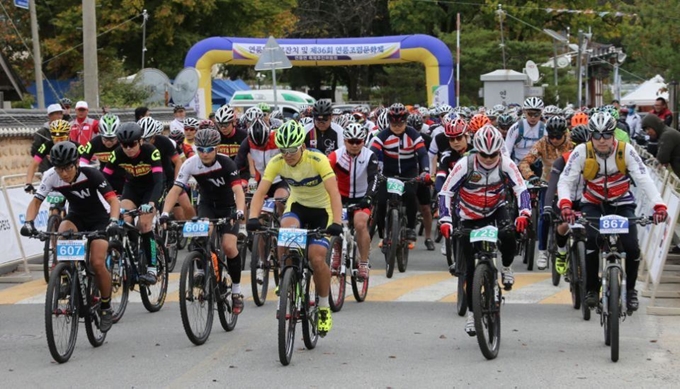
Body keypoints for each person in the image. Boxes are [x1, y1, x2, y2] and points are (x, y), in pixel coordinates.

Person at [558, 112, 668, 312]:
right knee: (591, 240)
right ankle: (592, 288)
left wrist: (659, 205)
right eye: (597, 136)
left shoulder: (626, 151)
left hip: (622, 202)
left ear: (614, 135)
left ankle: (631, 291)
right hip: (592, 203)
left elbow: (644, 179)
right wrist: (565, 204)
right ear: (591, 135)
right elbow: (566, 180)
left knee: (632, 247)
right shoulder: (582, 151)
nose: (602, 141)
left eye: (606, 135)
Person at [247, 120, 343, 337]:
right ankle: (286, 277)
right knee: (285, 233)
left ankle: (324, 307)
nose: (287, 155)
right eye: (283, 150)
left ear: (303, 146)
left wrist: (336, 222)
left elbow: (334, 193)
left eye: (292, 150)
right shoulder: (277, 161)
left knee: (316, 259)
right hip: (297, 206)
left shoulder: (318, 160)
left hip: (322, 210)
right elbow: (261, 192)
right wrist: (253, 218)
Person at [439, 125, 530, 336]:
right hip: (469, 215)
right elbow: (445, 193)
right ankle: (472, 314)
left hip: (496, 210)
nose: (489, 159)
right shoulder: (464, 164)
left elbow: (521, 188)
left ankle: (506, 267)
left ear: (500, 151)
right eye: (484, 154)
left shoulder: (506, 164)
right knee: (470, 267)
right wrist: (445, 219)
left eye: (493, 154)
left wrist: (524, 213)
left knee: (508, 234)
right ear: (476, 151)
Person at [20, 142, 120, 333]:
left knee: (97, 263)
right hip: (77, 216)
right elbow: (36, 202)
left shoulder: (91, 173)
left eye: (67, 168)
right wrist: (28, 223)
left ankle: (106, 306)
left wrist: (113, 221)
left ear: (76, 163)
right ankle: (66, 276)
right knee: (63, 231)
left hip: (100, 217)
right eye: (59, 169)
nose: (63, 173)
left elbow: (113, 200)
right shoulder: (51, 176)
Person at [160, 129, 246, 314]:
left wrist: (239, 211)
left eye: (209, 149)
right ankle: (200, 268)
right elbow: (175, 190)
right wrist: (165, 213)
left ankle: (237, 291)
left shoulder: (227, 163)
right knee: (201, 234)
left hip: (228, 207)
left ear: (216, 148)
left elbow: (238, 190)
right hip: (207, 205)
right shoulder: (191, 163)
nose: (204, 153)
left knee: (229, 247)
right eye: (200, 149)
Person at [102, 122, 164, 285]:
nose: (129, 148)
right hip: (132, 188)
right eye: (125, 145)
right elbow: (103, 180)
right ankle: (133, 255)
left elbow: (159, 181)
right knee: (124, 219)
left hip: (151, 189)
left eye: (132, 144)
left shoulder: (151, 152)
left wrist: (151, 203)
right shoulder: (117, 154)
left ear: (141, 141)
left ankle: (152, 269)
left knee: (144, 223)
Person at [370, 103, 430, 245]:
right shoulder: (383, 135)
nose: (397, 126)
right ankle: (384, 231)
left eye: (400, 122)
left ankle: (410, 228)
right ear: (389, 121)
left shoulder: (413, 134)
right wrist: (371, 169)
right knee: (382, 200)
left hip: (409, 171)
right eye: (393, 123)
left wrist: (426, 171)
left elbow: (422, 153)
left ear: (405, 121)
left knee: (410, 194)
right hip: (389, 172)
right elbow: (372, 152)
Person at [518, 116, 573, 270]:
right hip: (547, 184)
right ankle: (542, 251)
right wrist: (532, 177)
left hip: (567, 184)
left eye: (558, 136)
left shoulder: (572, 143)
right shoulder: (542, 142)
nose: (554, 140)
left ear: (565, 134)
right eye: (552, 136)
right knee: (544, 216)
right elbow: (525, 162)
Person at [328, 123, 379, 279]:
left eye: (359, 141)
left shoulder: (370, 156)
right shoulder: (336, 156)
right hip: (341, 197)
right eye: (351, 141)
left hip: (362, 197)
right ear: (345, 141)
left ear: (364, 141)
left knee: (360, 223)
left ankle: (363, 262)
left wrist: (369, 196)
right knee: (335, 225)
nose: (355, 145)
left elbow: (374, 179)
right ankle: (337, 251)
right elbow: (325, 175)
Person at [543, 125, 590, 275]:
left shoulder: (594, 159)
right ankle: (562, 253)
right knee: (563, 226)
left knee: (590, 229)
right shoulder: (562, 160)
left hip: (585, 199)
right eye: (576, 146)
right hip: (564, 198)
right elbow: (552, 185)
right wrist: (547, 206)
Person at [25, 120, 78, 193]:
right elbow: (33, 164)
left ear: (68, 135)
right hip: (55, 178)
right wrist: (28, 183)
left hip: (72, 178)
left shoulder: (76, 146)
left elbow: (83, 165)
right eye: (56, 139)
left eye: (62, 139)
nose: (59, 142)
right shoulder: (46, 146)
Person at [78, 114, 126, 194]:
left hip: (123, 179)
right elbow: (82, 163)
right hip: (104, 178)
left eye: (112, 139)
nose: (108, 142)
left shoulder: (124, 143)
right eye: (105, 138)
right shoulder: (94, 142)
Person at [643, 113, 680, 178]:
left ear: (654, 125)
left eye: (648, 129)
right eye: (645, 130)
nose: (647, 132)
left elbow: (662, 159)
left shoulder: (666, 135)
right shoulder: (665, 133)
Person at [32, 104, 65, 173]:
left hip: (63, 168)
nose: (59, 116)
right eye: (56, 114)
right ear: (49, 115)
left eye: (61, 114)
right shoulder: (41, 132)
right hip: (47, 169)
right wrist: (44, 155)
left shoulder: (65, 131)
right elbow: (34, 151)